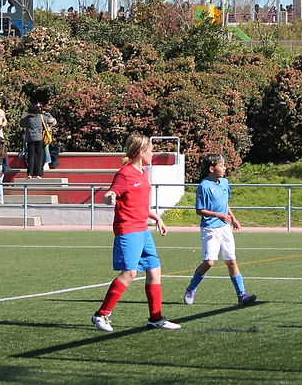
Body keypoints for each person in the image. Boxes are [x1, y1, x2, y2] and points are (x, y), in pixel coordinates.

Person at [91, 133, 181, 332]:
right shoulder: (125, 174)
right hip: (128, 230)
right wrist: (109, 198)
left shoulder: (143, 174)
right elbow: (110, 193)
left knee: (155, 270)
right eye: (150, 150)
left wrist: (156, 217)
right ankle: (101, 314)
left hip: (143, 230)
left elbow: (139, 204)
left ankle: (155, 318)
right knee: (130, 273)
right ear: (141, 152)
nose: (152, 153)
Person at [183, 154, 257, 307]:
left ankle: (241, 294)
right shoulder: (204, 186)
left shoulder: (224, 182)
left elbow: (225, 204)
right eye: (221, 165)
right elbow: (199, 210)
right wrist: (218, 215)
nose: (225, 168)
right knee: (209, 262)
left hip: (225, 228)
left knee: (231, 261)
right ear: (212, 168)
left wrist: (233, 218)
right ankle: (191, 288)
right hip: (210, 228)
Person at [20, 102, 54, 178]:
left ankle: (30, 173)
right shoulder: (41, 117)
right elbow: (51, 121)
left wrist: (24, 116)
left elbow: (21, 124)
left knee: (31, 156)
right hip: (39, 138)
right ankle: (39, 173)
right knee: (39, 156)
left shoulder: (28, 119)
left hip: (30, 139)